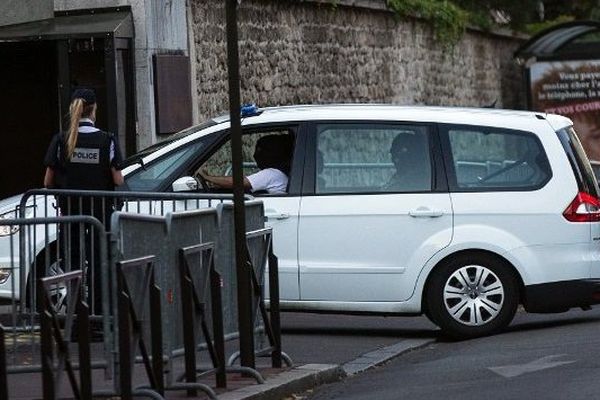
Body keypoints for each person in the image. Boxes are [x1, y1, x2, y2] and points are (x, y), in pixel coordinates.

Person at [43, 88, 124, 315]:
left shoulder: (61, 140)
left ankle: (78, 316)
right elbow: (118, 179)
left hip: (71, 213)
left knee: (74, 264)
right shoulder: (107, 139)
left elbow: (48, 180)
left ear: (74, 109)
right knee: (99, 263)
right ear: (94, 109)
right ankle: (98, 315)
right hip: (100, 213)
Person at [199, 134, 293, 194]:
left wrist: (208, 178)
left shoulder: (272, 174)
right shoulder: (280, 173)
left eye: (260, 151)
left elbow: (239, 182)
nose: (255, 155)